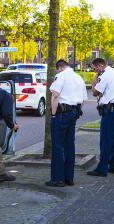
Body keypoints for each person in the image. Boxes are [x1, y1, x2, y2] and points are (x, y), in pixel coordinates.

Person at [45, 59, 87, 187]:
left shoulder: (61, 76)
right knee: (70, 145)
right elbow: (84, 99)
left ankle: (58, 179)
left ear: (60, 68)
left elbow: (55, 95)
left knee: (58, 145)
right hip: (74, 112)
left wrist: (53, 113)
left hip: (61, 114)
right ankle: (69, 178)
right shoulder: (79, 77)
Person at [87, 58, 114, 177]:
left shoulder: (105, 75)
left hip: (110, 111)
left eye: (95, 68)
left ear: (100, 66)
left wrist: (94, 82)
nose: (95, 71)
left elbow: (95, 93)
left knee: (106, 140)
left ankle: (102, 168)